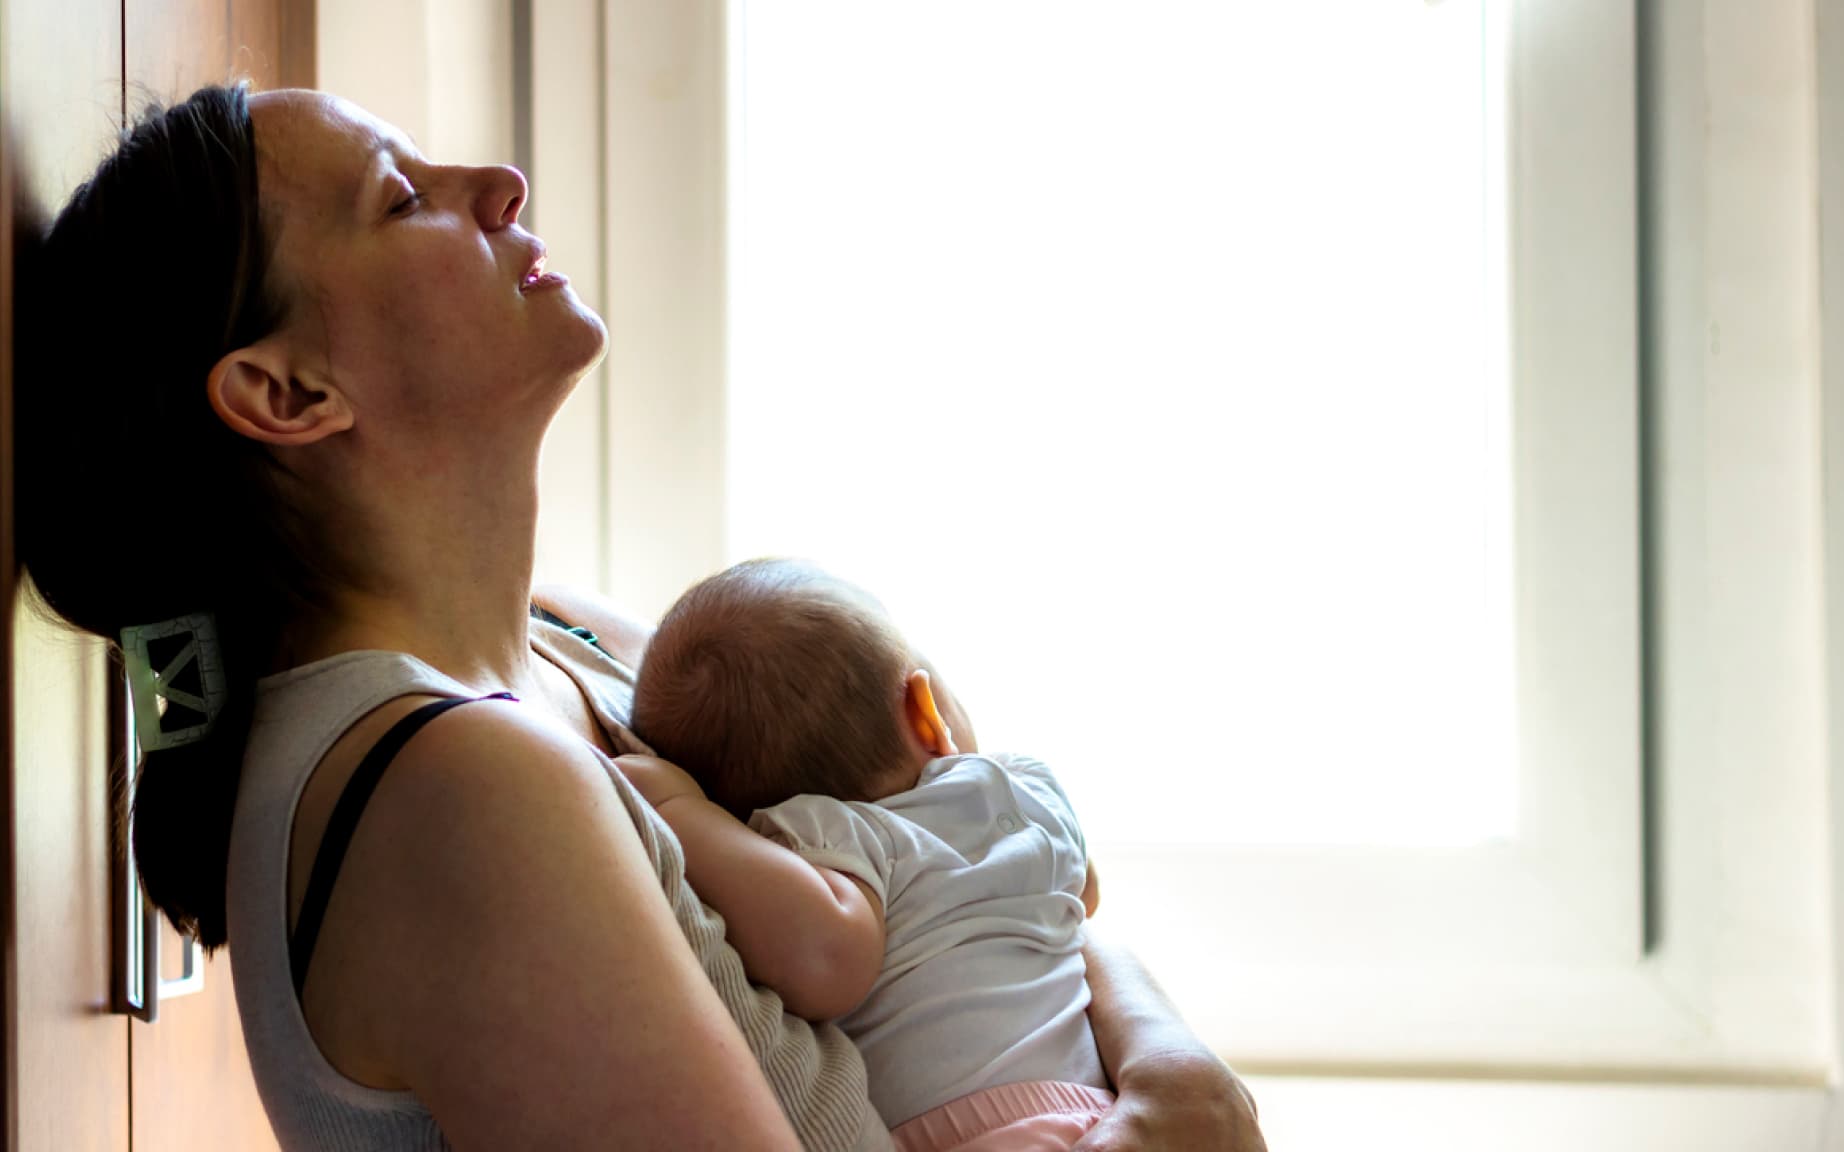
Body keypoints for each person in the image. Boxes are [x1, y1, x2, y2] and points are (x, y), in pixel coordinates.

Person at [10, 83, 1265, 1152]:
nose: (497, 183)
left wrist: (1178, 1068)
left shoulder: (582, 645)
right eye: (400, 197)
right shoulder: (456, 787)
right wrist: (1177, 1093)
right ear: (288, 395)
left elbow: (989, 878)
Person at [629, 559, 1112, 1151]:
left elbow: (825, 963)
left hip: (981, 1133)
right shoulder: (1024, 787)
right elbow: (1084, 893)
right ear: (926, 714)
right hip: (1093, 1107)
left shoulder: (832, 841)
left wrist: (677, 808)